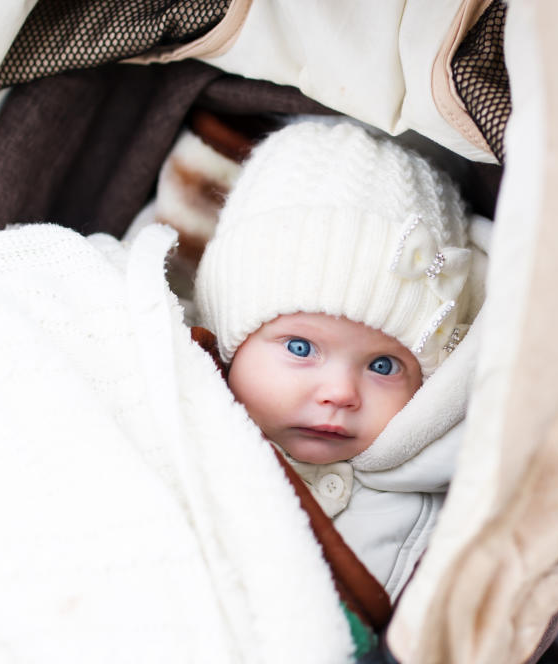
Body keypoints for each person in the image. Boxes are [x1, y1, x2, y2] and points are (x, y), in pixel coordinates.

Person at [195, 119, 486, 599]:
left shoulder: (445, 463)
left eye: (384, 366)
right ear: (231, 341)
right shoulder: (182, 423)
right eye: (301, 348)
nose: (341, 394)